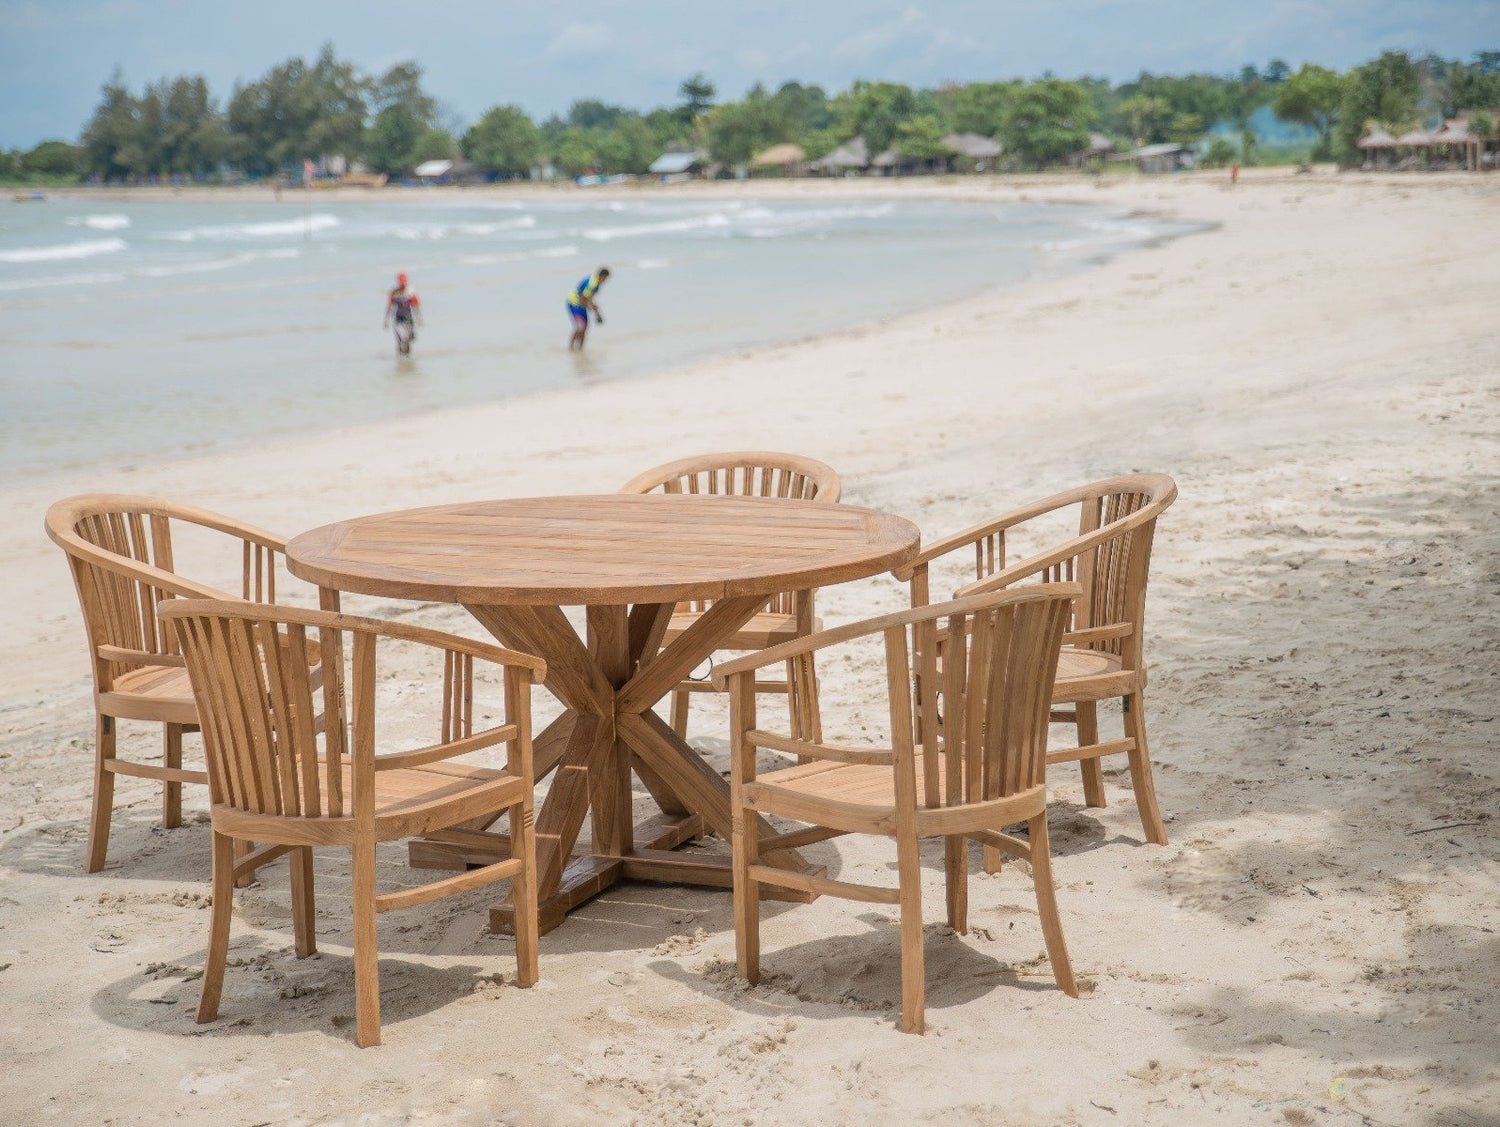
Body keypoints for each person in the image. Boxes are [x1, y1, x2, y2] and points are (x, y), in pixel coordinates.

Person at [567, 266, 610, 351]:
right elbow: (583, 298)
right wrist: (592, 308)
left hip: (581, 304)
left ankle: (580, 349)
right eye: (605, 279)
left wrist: (595, 309)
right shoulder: (592, 284)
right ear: (602, 276)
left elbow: (588, 298)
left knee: (584, 327)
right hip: (574, 303)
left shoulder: (595, 282)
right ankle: (571, 348)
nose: (605, 281)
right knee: (581, 327)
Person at [383, 272, 423, 355]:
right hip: (398, 318)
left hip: (408, 318)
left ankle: (408, 356)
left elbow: (416, 306)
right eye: (401, 283)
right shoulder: (394, 293)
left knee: (408, 339)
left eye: (404, 283)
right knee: (400, 340)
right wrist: (386, 319)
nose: (403, 285)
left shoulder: (411, 292)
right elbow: (389, 306)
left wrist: (419, 318)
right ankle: (400, 358)